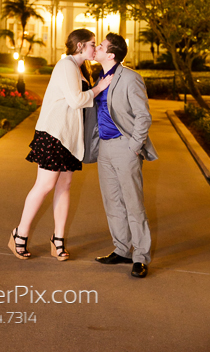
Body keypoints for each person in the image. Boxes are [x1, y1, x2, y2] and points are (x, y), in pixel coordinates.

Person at [8, 29, 113, 261]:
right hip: (54, 133)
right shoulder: (66, 65)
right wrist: (100, 87)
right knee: (45, 185)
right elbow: (77, 101)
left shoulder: (79, 68)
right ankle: (19, 234)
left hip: (70, 138)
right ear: (79, 46)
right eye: (91, 44)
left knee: (64, 186)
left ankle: (58, 239)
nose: (94, 48)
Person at [85, 32, 158, 278]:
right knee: (112, 201)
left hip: (125, 146)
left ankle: (140, 256)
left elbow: (143, 116)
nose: (96, 49)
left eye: (101, 46)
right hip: (104, 147)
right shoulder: (99, 76)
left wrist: (134, 146)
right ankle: (121, 249)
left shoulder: (130, 78)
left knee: (133, 203)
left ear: (111, 54)